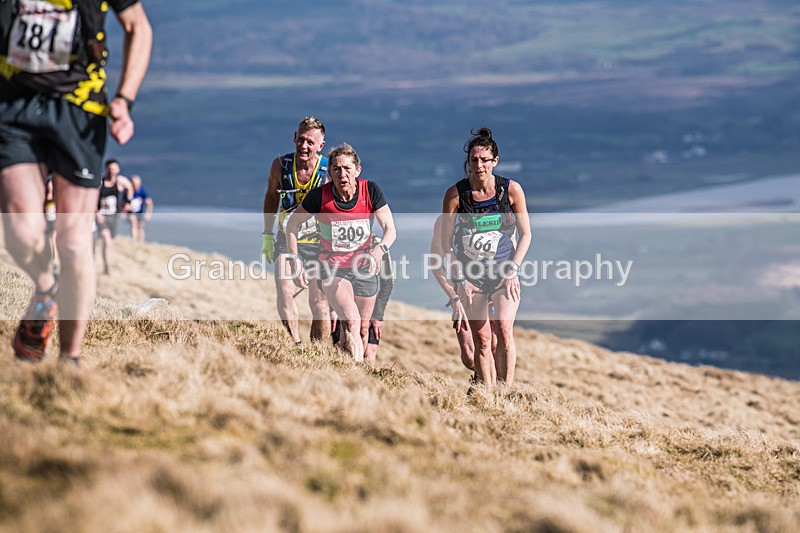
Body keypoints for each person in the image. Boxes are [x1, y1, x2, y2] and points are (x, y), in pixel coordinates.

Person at [0, 0, 152, 364]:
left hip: (79, 110)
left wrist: (124, 100)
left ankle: (70, 359)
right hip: (14, 102)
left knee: (72, 242)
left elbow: (139, 28)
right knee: (20, 231)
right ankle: (46, 288)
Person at [286, 143, 397, 363]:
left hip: (365, 268)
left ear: (358, 170)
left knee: (362, 329)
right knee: (351, 320)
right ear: (330, 173)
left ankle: (352, 366)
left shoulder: (371, 190)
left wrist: (378, 250)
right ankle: (353, 374)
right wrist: (295, 260)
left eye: (347, 168)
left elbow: (390, 230)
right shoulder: (320, 197)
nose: (342, 174)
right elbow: (292, 226)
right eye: (336, 169)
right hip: (333, 269)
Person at [440, 128, 531, 386]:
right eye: (474, 160)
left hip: (504, 273)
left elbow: (526, 235)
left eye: (484, 160)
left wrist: (513, 270)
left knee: (503, 330)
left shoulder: (511, 191)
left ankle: (505, 392)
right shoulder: (455, 195)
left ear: (495, 161)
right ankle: (487, 394)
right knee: (481, 340)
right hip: (472, 276)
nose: (478, 165)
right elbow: (446, 244)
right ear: (468, 162)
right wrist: (460, 280)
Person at [262, 117, 331, 343]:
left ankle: (318, 351)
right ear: (294, 137)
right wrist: (267, 235)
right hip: (286, 237)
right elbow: (271, 197)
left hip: (320, 242)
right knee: (284, 291)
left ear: (321, 146)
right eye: (300, 139)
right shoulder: (280, 165)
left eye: (310, 142)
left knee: (319, 303)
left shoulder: (328, 170)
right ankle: (295, 345)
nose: (303, 146)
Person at [331, 237, 394, 364]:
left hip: (369, 308)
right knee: (341, 345)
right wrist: (332, 309)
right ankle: (344, 374)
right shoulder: (339, 242)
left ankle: (365, 379)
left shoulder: (378, 244)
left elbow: (387, 283)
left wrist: (378, 316)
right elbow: (329, 278)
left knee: (370, 353)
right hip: (343, 305)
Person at [430, 214, 476, 372]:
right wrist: (454, 298)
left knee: (493, 346)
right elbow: (435, 262)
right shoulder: (444, 220)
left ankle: (490, 391)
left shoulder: (493, 213)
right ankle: (480, 376)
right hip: (462, 293)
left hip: (492, 288)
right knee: (469, 355)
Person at [96, 159, 133, 274]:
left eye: (114, 169)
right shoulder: (100, 183)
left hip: (113, 216)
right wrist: (96, 212)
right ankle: (106, 266)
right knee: (106, 240)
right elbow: (92, 198)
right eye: (110, 169)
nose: (112, 171)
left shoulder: (120, 181)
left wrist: (127, 202)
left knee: (111, 242)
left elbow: (130, 187)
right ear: (106, 169)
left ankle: (108, 263)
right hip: (101, 215)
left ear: (118, 169)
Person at [128, 174, 152, 242]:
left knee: (140, 226)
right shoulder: (128, 190)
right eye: (133, 184)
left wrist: (148, 214)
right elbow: (123, 201)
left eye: (136, 184)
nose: (135, 186)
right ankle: (134, 240)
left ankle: (141, 241)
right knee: (133, 224)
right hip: (131, 212)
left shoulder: (142, 191)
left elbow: (149, 202)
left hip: (140, 212)